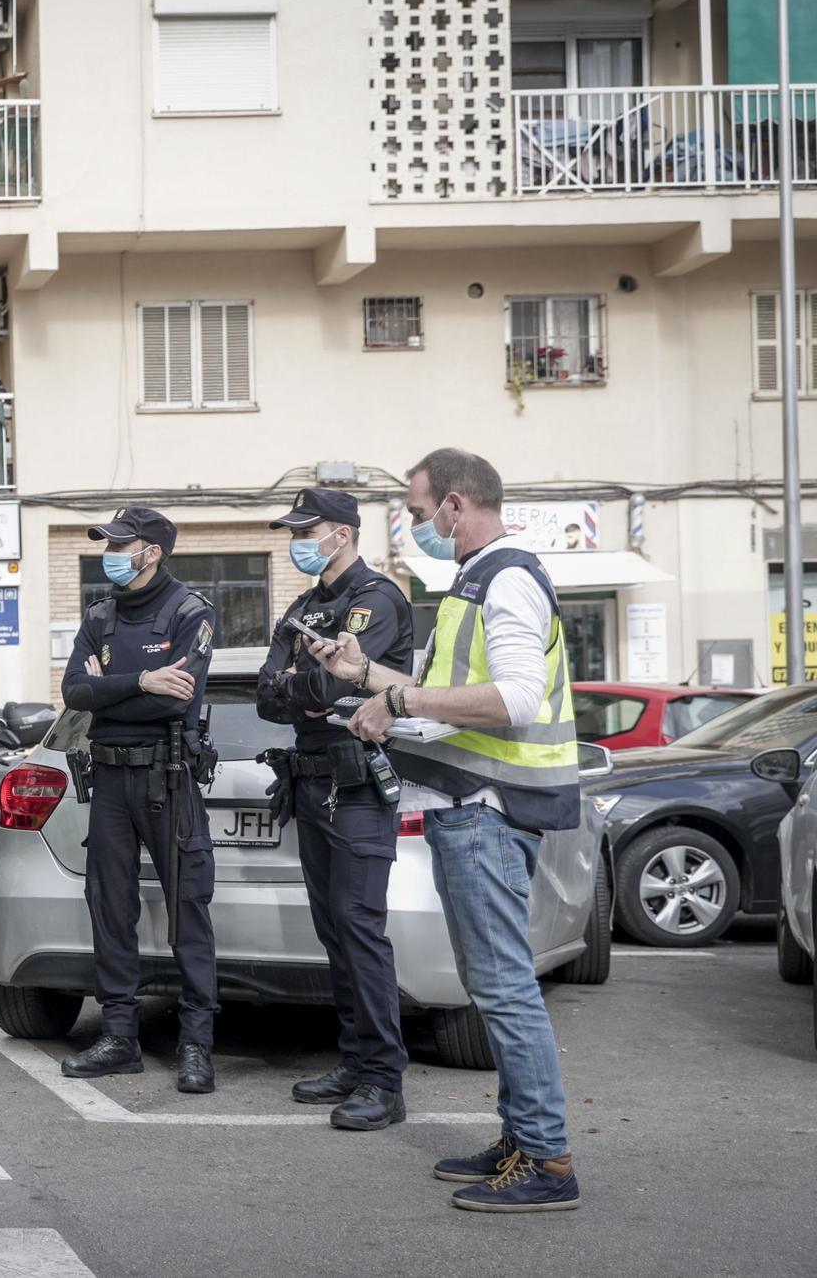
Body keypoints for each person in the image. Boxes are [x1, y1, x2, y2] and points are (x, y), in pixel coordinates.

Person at [313, 448, 583, 1214]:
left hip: (492, 811)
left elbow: (518, 698)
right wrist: (361, 672)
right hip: (474, 810)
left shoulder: (507, 580)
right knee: (493, 985)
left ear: (456, 507)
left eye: (417, 508)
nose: (412, 522)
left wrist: (396, 707)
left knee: (502, 987)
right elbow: (433, 693)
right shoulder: (472, 584)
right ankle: (521, 1138)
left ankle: (547, 1160)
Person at [255, 488, 414, 1132]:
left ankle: (384, 1079)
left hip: (356, 788)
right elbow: (268, 694)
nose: (298, 539)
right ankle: (355, 1061)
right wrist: (308, 689)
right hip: (313, 781)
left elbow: (328, 683)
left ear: (343, 533)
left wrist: (310, 685)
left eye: (307, 528)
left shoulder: (373, 600)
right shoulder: (304, 605)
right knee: (334, 931)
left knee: (359, 928)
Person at [58, 506, 219, 1092]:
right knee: (110, 907)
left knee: (188, 911)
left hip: (166, 778)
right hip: (109, 780)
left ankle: (197, 1045)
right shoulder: (99, 614)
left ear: (150, 552)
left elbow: (175, 702)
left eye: (120, 544)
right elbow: (75, 691)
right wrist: (139, 681)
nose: (110, 552)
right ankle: (119, 1037)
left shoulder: (189, 611)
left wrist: (112, 690)